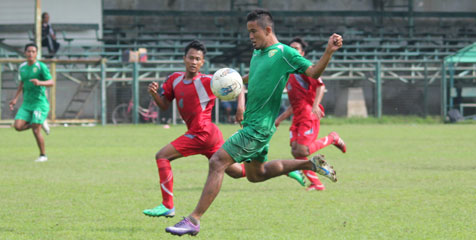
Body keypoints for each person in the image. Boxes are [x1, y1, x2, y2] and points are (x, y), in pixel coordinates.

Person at [165, 9, 343, 236]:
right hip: (253, 125)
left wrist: (328, 51)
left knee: (217, 162)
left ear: (267, 30)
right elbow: (252, 79)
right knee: (256, 174)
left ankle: (193, 220)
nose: (250, 36)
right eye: (248, 31)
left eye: (253, 31)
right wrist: (229, 82)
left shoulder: (284, 53)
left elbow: (313, 71)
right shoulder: (258, 53)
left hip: (258, 128)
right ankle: (309, 165)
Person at [143, 40, 249, 218]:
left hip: (202, 132)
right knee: (236, 172)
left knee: (162, 156)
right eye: (190, 58)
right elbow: (164, 106)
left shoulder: (209, 81)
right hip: (210, 135)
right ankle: (271, 167)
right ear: (184, 58)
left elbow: (239, 84)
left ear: (202, 62)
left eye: (197, 59)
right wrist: (154, 95)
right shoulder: (173, 80)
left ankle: (167, 205)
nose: (193, 62)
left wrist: (240, 108)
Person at [275, 37, 347, 192]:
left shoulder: (305, 69)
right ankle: (317, 184)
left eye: (296, 48)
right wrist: (279, 119)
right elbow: (294, 105)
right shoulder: (289, 73)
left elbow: (320, 86)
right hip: (298, 117)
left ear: (302, 52)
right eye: (291, 48)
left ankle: (332, 138)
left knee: (303, 150)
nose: (293, 50)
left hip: (309, 115)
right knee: (296, 152)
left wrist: (315, 105)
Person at [9, 43, 53, 162]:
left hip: (39, 103)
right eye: (29, 51)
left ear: (36, 53)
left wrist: (40, 83)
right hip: (27, 104)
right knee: (17, 127)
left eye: (33, 51)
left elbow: (51, 82)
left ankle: (43, 155)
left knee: (35, 129)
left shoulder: (41, 66)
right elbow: (21, 83)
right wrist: (15, 99)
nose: (31, 53)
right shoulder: (22, 67)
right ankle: (39, 122)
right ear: (25, 53)